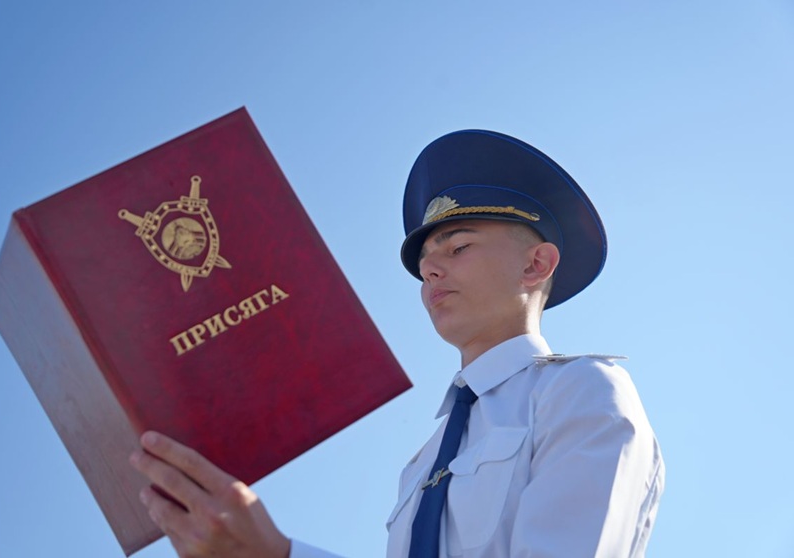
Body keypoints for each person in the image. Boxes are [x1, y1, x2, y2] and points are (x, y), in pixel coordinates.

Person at [130, 130, 665, 558]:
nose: (430, 270)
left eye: (458, 247)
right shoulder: (421, 463)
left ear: (535, 264)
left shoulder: (583, 391)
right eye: (424, 262)